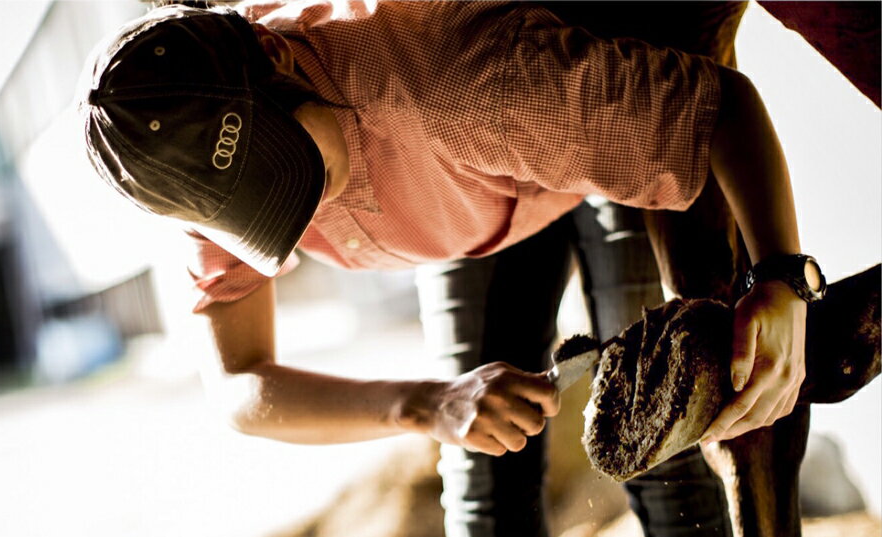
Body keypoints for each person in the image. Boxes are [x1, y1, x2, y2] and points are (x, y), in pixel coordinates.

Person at [79, 2, 825, 535]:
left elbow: (723, 111)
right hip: (475, 201)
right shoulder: (199, 175)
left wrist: (781, 280)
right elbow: (239, 384)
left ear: (277, 55)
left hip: (583, 90)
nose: (302, 219)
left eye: (292, 174)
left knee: (664, 425)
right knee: (481, 479)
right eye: (263, 213)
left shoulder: (458, 83)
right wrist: (424, 402)